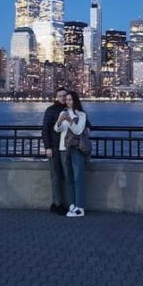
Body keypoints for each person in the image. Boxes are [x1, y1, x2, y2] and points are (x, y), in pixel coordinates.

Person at [54, 90, 89, 218]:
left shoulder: (81, 114)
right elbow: (57, 129)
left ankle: (80, 207)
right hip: (63, 148)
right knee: (69, 178)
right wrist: (59, 122)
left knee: (78, 178)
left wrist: (70, 120)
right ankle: (72, 204)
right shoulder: (62, 112)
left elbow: (78, 131)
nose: (68, 101)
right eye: (67, 99)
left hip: (76, 149)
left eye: (70, 99)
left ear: (75, 100)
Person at [42, 87, 69, 215]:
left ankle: (65, 203)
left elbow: (83, 120)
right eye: (60, 96)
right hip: (54, 148)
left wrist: (88, 127)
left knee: (66, 177)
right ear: (56, 97)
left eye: (65, 95)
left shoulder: (72, 109)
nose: (63, 98)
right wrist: (47, 147)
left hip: (68, 148)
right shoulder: (51, 110)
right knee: (56, 177)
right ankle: (57, 204)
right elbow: (45, 130)